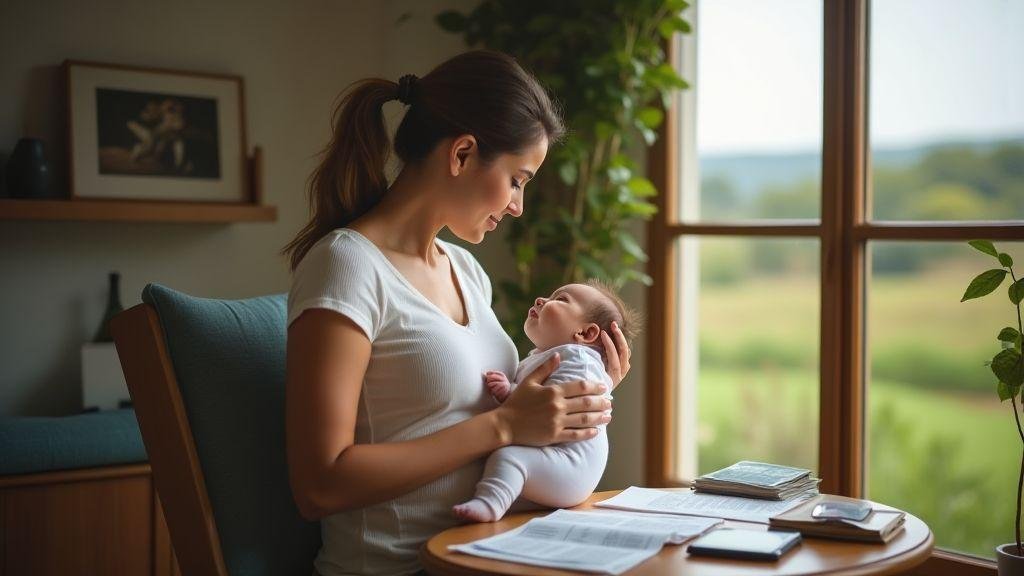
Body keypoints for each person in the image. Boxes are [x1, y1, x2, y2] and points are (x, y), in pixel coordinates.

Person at [283, 49, 633, 576]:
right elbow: (320, 485)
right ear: (463, 153)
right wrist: (505, 426)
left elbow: (495, 413)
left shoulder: (466, 271)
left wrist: (580, 390)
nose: (517, 206)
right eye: (517, 180)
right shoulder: (346, 267)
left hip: (492, 553)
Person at [454, 280, 641, 523]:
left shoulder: (578, 359)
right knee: (511, 462)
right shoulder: (552, 356)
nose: (540, 299)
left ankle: (490, 504)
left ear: (585, 333)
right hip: (563, 465)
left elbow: (555, 404)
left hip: (571, 464)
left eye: (560, 299)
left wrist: (510, 392)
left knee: (510, 459)